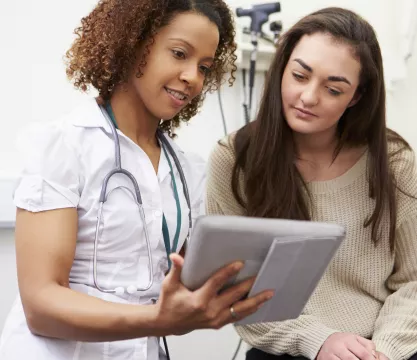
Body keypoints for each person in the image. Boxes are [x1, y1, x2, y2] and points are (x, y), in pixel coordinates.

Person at [0, 1, 274, 359]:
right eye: (179, 53)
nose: (192, 77)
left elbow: (178, 286)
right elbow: (41, 305)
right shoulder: (64, 147)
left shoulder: (186, 171)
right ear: (132, 45)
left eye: (204, 67)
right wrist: (156, 319)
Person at [205, 7, 417, 360]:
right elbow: (239, 294)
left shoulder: (393, 161)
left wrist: (382, 352)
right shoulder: (234, 160)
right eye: (300, 76)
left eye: (333, 89)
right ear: (282, 68)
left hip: (386, 347)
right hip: (292, 346)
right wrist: (318, 340)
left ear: (357, 97)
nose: (308, 97)